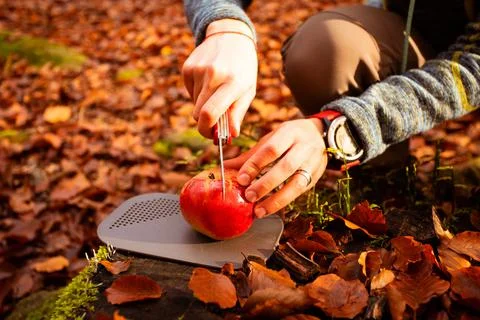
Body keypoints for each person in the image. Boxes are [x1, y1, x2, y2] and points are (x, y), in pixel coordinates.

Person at [182, 0, 479, 219]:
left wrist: (343, 130)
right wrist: (225, 27)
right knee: (324, 50)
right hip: (412, 33)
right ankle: (385, 186)